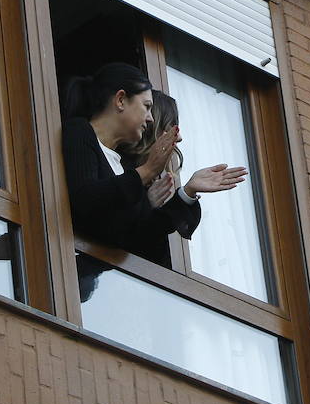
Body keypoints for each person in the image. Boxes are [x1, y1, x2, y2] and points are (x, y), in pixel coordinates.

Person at [60, 63, 246, 268]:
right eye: (147, 107)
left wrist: (187, 192)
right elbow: (85, 198)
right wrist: (145, 172)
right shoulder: (79, 130)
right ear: (121, 100)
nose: (149, 118)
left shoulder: (121, 167)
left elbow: (138, 238)